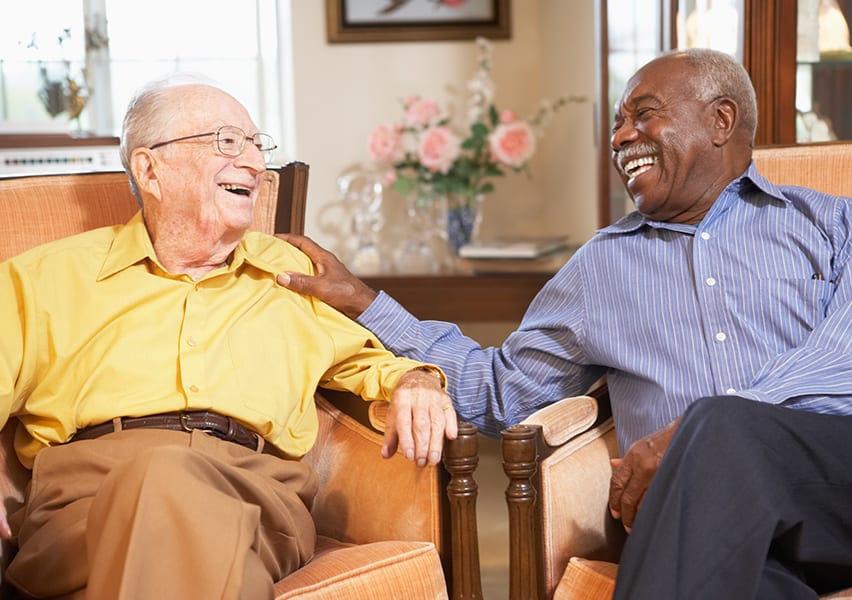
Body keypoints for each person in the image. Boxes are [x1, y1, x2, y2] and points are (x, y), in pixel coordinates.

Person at [276, 47, 852, 596]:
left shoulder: (829, 224)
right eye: (618, 123)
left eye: (643, 115)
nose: (622, 136)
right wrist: (363, 301)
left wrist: (690, 435)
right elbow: (501, 391)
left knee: (720, 429)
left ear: (721, 119)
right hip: (698, 519)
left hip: (832, 482)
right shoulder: (600, 267)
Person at [0, 75, 457, 599]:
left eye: (257, 146)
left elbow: (369, 363)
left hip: (255, 496)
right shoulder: (42, 279)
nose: (256, 165)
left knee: (168, 484)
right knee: (188, 522)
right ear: (150, 169)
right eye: (227, 142)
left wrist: (418, 379)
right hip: (84, 503)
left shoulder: (290, 273)